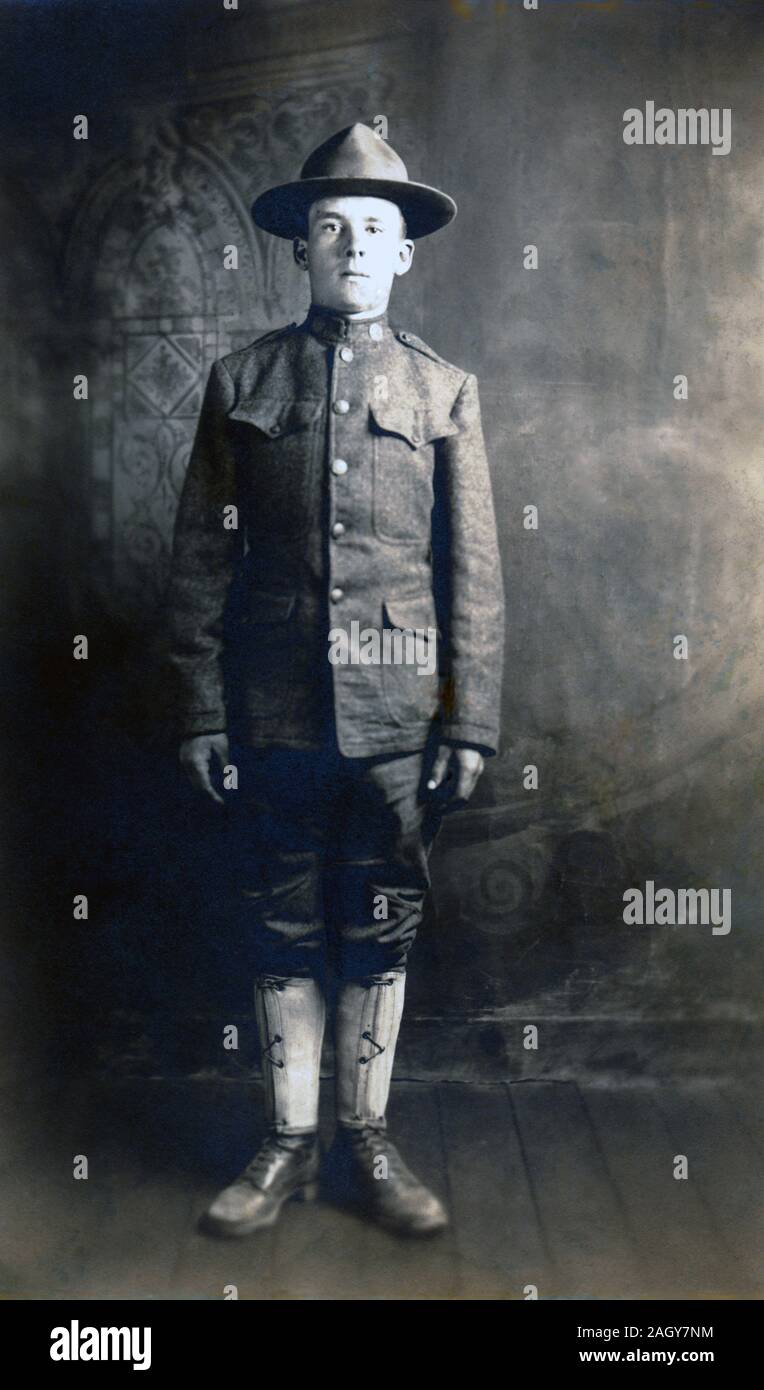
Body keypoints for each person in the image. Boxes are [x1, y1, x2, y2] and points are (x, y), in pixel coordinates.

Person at [165, 123, 505, 1238]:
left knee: (380, 926)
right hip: (272, 715)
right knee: (277, 926)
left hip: (400, 722)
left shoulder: (443, 391)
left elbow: (472, 574)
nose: (352, 247)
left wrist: (469, 719)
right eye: (329, 229)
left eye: (375, 229)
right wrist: (202, 709)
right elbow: (202, 560)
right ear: (298, 251)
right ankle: (286, 1141)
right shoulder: (239, 382)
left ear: (404, 253)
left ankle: (366, 1135)